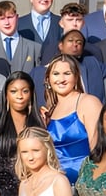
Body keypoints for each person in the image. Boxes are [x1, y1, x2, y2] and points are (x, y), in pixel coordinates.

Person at [41, 54, 102, 185]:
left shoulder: (88, 102)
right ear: (48, 79)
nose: (61, 79)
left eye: (67, 73)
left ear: (76, 77)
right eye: (56, 74)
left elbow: (98, 148)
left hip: (84, 182)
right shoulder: (51, 108)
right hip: (56, 183)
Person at [0, 0, 41, 75]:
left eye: (10, 17)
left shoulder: (34, 48)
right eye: (2, 18)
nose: (7, 22)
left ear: (17, 17)